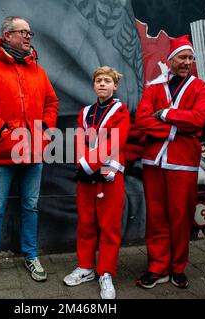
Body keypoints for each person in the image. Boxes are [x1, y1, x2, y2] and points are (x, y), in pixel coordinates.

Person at [0, 16, 59, 285]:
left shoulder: (37, 71)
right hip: (2, 151)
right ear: (7, 35)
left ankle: (31, 255)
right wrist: (2, 129)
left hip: (35, 152)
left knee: (31, 206)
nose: (29, 36)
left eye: (30, 32)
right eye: (23, 32)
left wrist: (44, 130)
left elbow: (52, 103)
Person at [135, 35, 205, 289]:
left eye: (190, 58)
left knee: (180, 217)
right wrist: (174, 130)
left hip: (184, 163)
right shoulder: (154, 88)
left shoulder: (199, 88)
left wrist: (166, 114)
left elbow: (199, 119)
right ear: (170, 61)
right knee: (156, 216)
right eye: (182, 57)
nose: (187, 62)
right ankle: (158, 266)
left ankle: (178, 267)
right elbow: (142, 120)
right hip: (154, 163)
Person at [63, 66, 129, 299]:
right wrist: (83, 165)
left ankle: (106, 272)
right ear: (93, 85)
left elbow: (116, 141)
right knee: (86, 222)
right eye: (99, 80)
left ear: (115, 86)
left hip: (110, 173)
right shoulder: (85, 112)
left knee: (109, 226)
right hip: (86, 174)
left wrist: (91, 165)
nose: (102, 84)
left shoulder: (120, 110)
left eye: (107, 81)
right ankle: (86, 266)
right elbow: (81, 138)